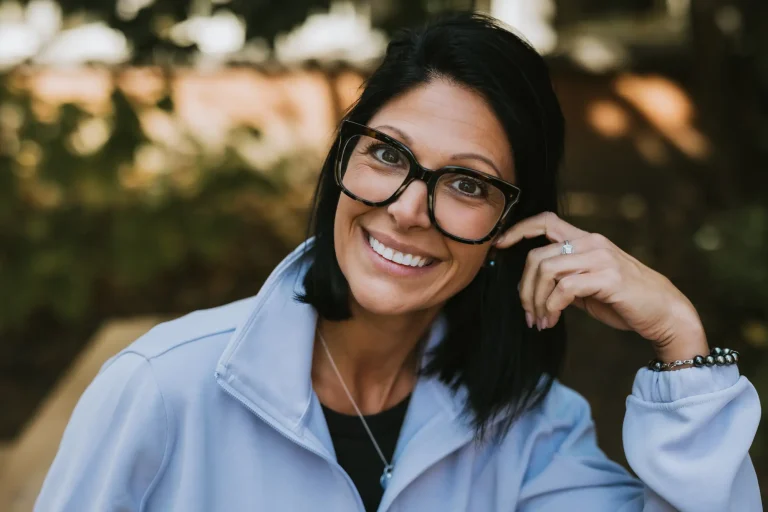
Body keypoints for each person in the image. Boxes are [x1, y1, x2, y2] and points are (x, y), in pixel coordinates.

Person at [36, 12, 761, 512]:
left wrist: (678, 337)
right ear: (342, 156)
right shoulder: (162, 389)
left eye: (467, 183)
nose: (410, 208)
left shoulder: (530, 430)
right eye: (388, 154)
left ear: (515, 227)